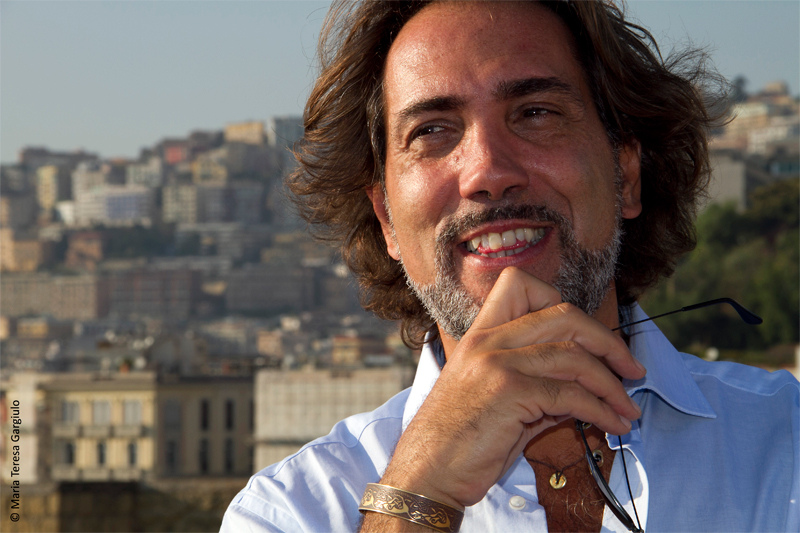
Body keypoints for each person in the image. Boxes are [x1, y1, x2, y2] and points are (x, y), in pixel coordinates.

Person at [221, 1, 800, 531]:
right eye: (432, 130)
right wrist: (418, 495)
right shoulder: (290, 512)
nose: (488, 172)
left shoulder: (787, 438)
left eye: (535, 113)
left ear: (625, 175)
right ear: (387, 221)